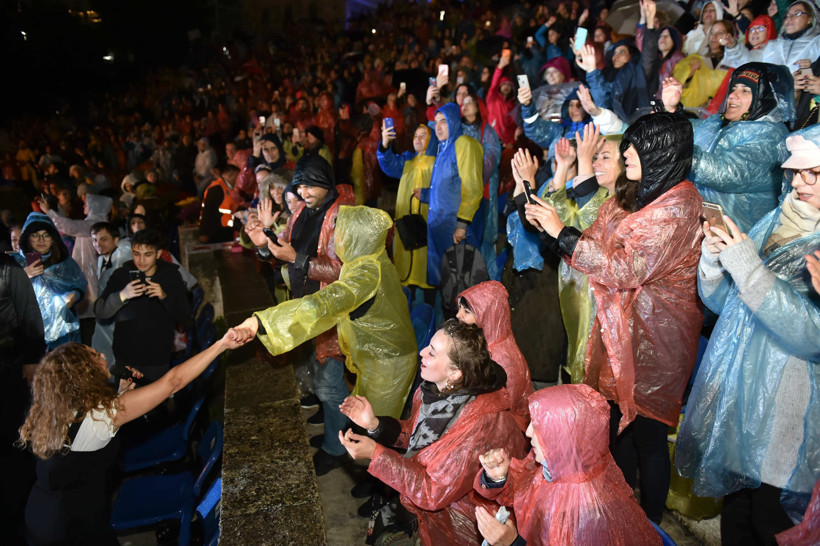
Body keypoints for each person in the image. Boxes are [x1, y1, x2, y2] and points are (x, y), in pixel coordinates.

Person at [523, 113, 703, 524]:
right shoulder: (639, 196)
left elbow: (626, 269)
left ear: (663, 152)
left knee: (650, 437)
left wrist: (562, 234)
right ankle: (619, 513)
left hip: (658, 340)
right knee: (617, 424)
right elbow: (595, 245)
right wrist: (557, 233)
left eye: (636, 147)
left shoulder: (676, 207)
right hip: (623, 333)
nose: (627, 154)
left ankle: (650, 526)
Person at [676, 125, 820, 545]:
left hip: (791, 408)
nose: (799, 182)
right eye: (796, 172)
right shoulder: (778, 216)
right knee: (736, 516)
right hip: (743, 398)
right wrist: (715, 260)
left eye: (814, 173)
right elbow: (727, 304)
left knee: (771, 523)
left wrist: (748, 268)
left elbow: (811, 335)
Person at [233, 206, 418, 475]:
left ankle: (384, 493)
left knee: (378, 433)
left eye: (340, 234)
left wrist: (263, 322)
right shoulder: (366, 260)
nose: (335, 240)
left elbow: (323, 305)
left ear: (356, 237)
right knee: (366, 422)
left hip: (389, 364)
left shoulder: (365, 273)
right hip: (377, 360)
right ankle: (374, 481)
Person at [18, 331, 244, 545]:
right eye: (96, 356)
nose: (104, 355)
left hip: (40, 514)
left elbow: (89, 432)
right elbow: (172, 382)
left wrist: (122, 393)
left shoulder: (55, 412)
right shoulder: (102, 416)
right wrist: (221, 344)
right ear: (83, 373)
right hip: (71, 528)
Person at [337, 320, 528, 545]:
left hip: (464, 521)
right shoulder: (435, 390)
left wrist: (377, 455)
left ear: (455, 373)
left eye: (432, 353)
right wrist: (375, 425)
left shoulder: (478, 425)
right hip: (439, 508)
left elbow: (432, 492)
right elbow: (419, 435)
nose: (421, 352)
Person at [247, 152, 354, 475]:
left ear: (325, 183)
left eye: (310, 185)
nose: (304, 193)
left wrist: (300, 259)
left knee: (333, 382)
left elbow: (344, 272)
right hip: (308, 308)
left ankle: (337, 448)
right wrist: (264, 241)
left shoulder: (341, 217)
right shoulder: (304, 213)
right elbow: (282, 251)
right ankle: (331, 427)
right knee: (322, 378)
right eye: (300, 186)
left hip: (333, 313)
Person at [474, 385, 662, 546]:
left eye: (540, 426)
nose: (528, 432)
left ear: (563, 438)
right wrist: (499, 477)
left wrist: (513, 543)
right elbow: (525, 491)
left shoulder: (584, 518)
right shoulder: (558, 467)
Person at [663, 62, 794, 232]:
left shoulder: (772, 137)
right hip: (703, 230)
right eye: (733, 88)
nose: (733, 95)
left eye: (745, 91)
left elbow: (726, 172)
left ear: (765, 99)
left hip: (738, 239)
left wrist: (672, 143)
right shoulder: (720, 123)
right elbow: (688, 131)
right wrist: (670, 109)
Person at [93, 228, 191, 382]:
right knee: (126, 403)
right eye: (136, 254)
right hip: (126, 356)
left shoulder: (170, 275)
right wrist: (122, 296)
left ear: (158, 254)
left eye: (148, 254)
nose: (141, 260)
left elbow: (185, 317)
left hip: (157, 357)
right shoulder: (122, 275)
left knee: (155, 402)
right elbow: (100, 311)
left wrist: (164, 296)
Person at [0, 254, 45, 542]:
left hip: (9, 366)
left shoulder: (7, 269)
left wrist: (30, 361)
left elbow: (29, 314)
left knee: (15, 437)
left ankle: (25, 512)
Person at [414, 103, 483, 287]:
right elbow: (447, 187)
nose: (438, 126)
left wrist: (462, 223)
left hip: (455, 228)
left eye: (443, 121)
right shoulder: (442, 150)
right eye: (436, 122)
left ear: (453, 121)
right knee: (447, 284)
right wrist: (426, 195)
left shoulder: (463, 144)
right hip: (439, 229)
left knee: (462, 283)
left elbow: (472, 187)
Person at [456, 280, 533, 430]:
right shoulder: (492, 339)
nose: (458, 315)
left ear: (489, 315)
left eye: (467, 311)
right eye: (459, 308)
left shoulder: (498, 357)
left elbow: (507, 407)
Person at [377, 122, 436, 294]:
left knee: (425, 267)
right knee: (406, 264)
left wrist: (427, 194)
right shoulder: (407, 160)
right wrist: (385, 144)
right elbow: (388, 163)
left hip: (427, 223)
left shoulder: (438, 163)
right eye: (416, 136)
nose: (418, 139)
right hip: (406, 224)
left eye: (423, 135)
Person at [14, 213, 87, 350]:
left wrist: (73, 296)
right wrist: (23, 275)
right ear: (27, 238)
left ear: (53, 238)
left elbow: (80, 285)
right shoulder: (16, 263)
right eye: (35, 235)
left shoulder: (66, 264)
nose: (41, 239)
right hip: (29, 332)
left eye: (46, 235)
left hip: (62, 332)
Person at [722, 1, 820, 69]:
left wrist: (814, 68)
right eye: (787, 16)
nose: (790, 18)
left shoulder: (817, 44)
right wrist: (733, 47)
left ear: (810, 18)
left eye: (797, 14)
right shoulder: (773, 46)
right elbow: (748, 62)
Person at [89, 222, 131, 367]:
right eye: (94, 240)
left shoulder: (122, 259)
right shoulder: (104, 259)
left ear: (116, 239)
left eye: (103, 239)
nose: (98, 244)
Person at [198, 164, 240, 243]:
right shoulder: (217, 189)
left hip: (225, 232)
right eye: (238, 176)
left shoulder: (226, 188)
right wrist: (204, 233)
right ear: (231, 174)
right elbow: (208, 212)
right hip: (215, 234)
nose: (239, 180)